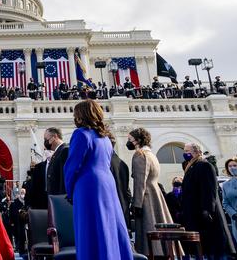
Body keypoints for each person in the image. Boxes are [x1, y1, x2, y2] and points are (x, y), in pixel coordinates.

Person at [63, 100, 132, 259]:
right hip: (107, 183)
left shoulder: (80, 134)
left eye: (75, 113)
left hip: (88, 184)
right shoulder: (106, 138)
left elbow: (72, 165)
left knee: (89, 227)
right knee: (109, 225)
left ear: (81, 115)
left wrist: (70, 190)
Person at [181, 142, 235, 259]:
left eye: (187, 151)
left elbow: (209, 189)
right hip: (194, 213)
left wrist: (207, 209)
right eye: (184, 151)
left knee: (212, 245)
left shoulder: (204, 165)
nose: (185, 154)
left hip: (205, 213)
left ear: (197, 152)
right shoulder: (191, 166)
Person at [127, 127, 174, 255]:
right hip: (155, 194)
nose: (128, 142)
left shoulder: (140, 155)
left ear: (137, 140)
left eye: (130, 139)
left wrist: (136, 203)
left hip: (146, 196)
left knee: (149, 229)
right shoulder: (151, 154)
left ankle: (153, 253)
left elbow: (140, 181)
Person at [109, 139, 131, 228]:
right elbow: (127, 189)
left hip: (112, 206)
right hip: (123, 206)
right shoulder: (123, 163)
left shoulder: (105, 163)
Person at [44, 127, 68, 196]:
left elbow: (63, 178)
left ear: (55, 137)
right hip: (54, 196)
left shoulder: (64, 151)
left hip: (59, 197)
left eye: (46, 139)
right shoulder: (57, 152)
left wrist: (62, 198)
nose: (45, 142)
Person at [8, 188, 27, 257]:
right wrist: (11, 222)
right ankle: (19, 249)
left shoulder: (26, 202)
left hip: (25, 221)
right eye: (21, 192)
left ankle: (24, 249)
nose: (23, 194)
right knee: (17, 235)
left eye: (24, 192)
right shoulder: (15, 202)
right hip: (17, 222)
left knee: (24, 236)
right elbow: (11, 213)